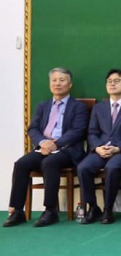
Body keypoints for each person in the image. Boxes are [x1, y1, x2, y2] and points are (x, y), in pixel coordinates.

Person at [4, 67, 88, 228]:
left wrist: (55, 144)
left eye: (62, 80)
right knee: (21, 164)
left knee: (49, 162)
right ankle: (17, 211)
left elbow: (78, 131)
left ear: (70, 84)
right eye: (54, 80)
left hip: (67, 150)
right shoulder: (43, 106)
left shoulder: (78, 106)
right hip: (44, 148)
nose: (57, 84)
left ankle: (50, 211)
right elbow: (33, 129)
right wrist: (43, 143)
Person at [76, 69, 121, 224]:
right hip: (100, 150)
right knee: (83, 167)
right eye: (109, 81)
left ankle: (108, 210)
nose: (112, 84)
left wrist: (118, 148)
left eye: (117, 81)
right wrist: (98, 147)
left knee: (112, 167)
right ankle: (93, 208)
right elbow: (92, 132)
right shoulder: (99, 108)